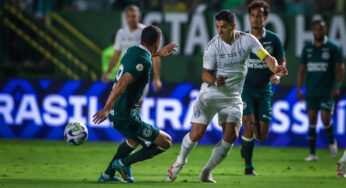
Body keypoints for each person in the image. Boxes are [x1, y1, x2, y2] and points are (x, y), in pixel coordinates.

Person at [166, 10, 288, 183]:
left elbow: (267, 58)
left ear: (233, 27)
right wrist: (216, 81)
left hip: (233, 96)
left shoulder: (247, 40)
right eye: (217, 27)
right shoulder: (213, 45)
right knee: (196, 134)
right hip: (211, 92)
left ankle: (206, 172)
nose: (220, 31)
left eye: (224, 27)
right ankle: (179, 162)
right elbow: (205, 74)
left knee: (231, 135)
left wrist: (275, 69)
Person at [93, 25, 178, 183]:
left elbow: (141, 60)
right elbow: (122, 82)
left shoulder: (132, 50)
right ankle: (123, 164)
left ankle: (107, 175)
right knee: (166, 142)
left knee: (132, 140)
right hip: (124, 115)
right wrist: (106, 108)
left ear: (141, 39)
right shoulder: (144, 61)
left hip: (119, 113)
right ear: (157, 42)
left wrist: (159, 53)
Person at [240, 0, 287, 176]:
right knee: (249, 125)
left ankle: (246, 147)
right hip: (245, 88)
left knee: (261, 135)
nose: (255, 19)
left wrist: (278, 74)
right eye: (252, 15)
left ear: (265, 17)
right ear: (249, 17)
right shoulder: (242, 38)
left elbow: (281, 61)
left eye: (259, 15)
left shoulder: (274, 39)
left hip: (265, 89)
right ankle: (248, 166)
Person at [297, 19, 344, 161]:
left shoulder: (333, 47)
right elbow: (302, 69)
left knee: (325, 119)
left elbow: (340, 68)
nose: (318, 31)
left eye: (321, 29)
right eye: (316, 29)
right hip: (311, 90)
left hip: (326, 91)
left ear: (326, 30)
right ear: (312, 31)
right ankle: (312, 154)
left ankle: (331, 142)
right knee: (311, 120)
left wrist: (337, 86)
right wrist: (299, 89)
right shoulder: (308, 48)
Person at [101, 5, 162, 104]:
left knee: (136, 106)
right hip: (124, 73)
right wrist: (108, 72)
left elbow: (155, 55)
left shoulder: (146, 32)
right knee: (119, 104)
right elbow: (116, 54)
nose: (131, 19)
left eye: (134, 16)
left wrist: (157, 78)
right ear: (125, 17)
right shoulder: (121, 33)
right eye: (129, 16)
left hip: (140, 73)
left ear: (139, 17)